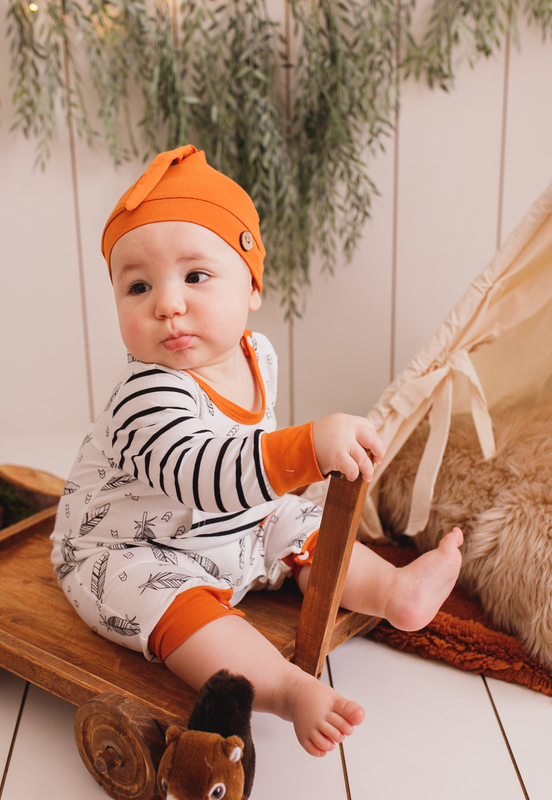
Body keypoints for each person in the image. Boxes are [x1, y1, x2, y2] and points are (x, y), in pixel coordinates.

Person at [52, 145, 463, 757]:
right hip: (131, 546)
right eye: (138, 286)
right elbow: (201, 474)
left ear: (251, 285)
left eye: (195, 276)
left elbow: (248, 472)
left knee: (300, 518)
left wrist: (284, 482)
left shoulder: (255, 355)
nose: (168, 303)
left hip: (226, 523)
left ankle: (391, 592)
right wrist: (306, 446)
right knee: (175, 608)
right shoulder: (145, 394)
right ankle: (283, 688)